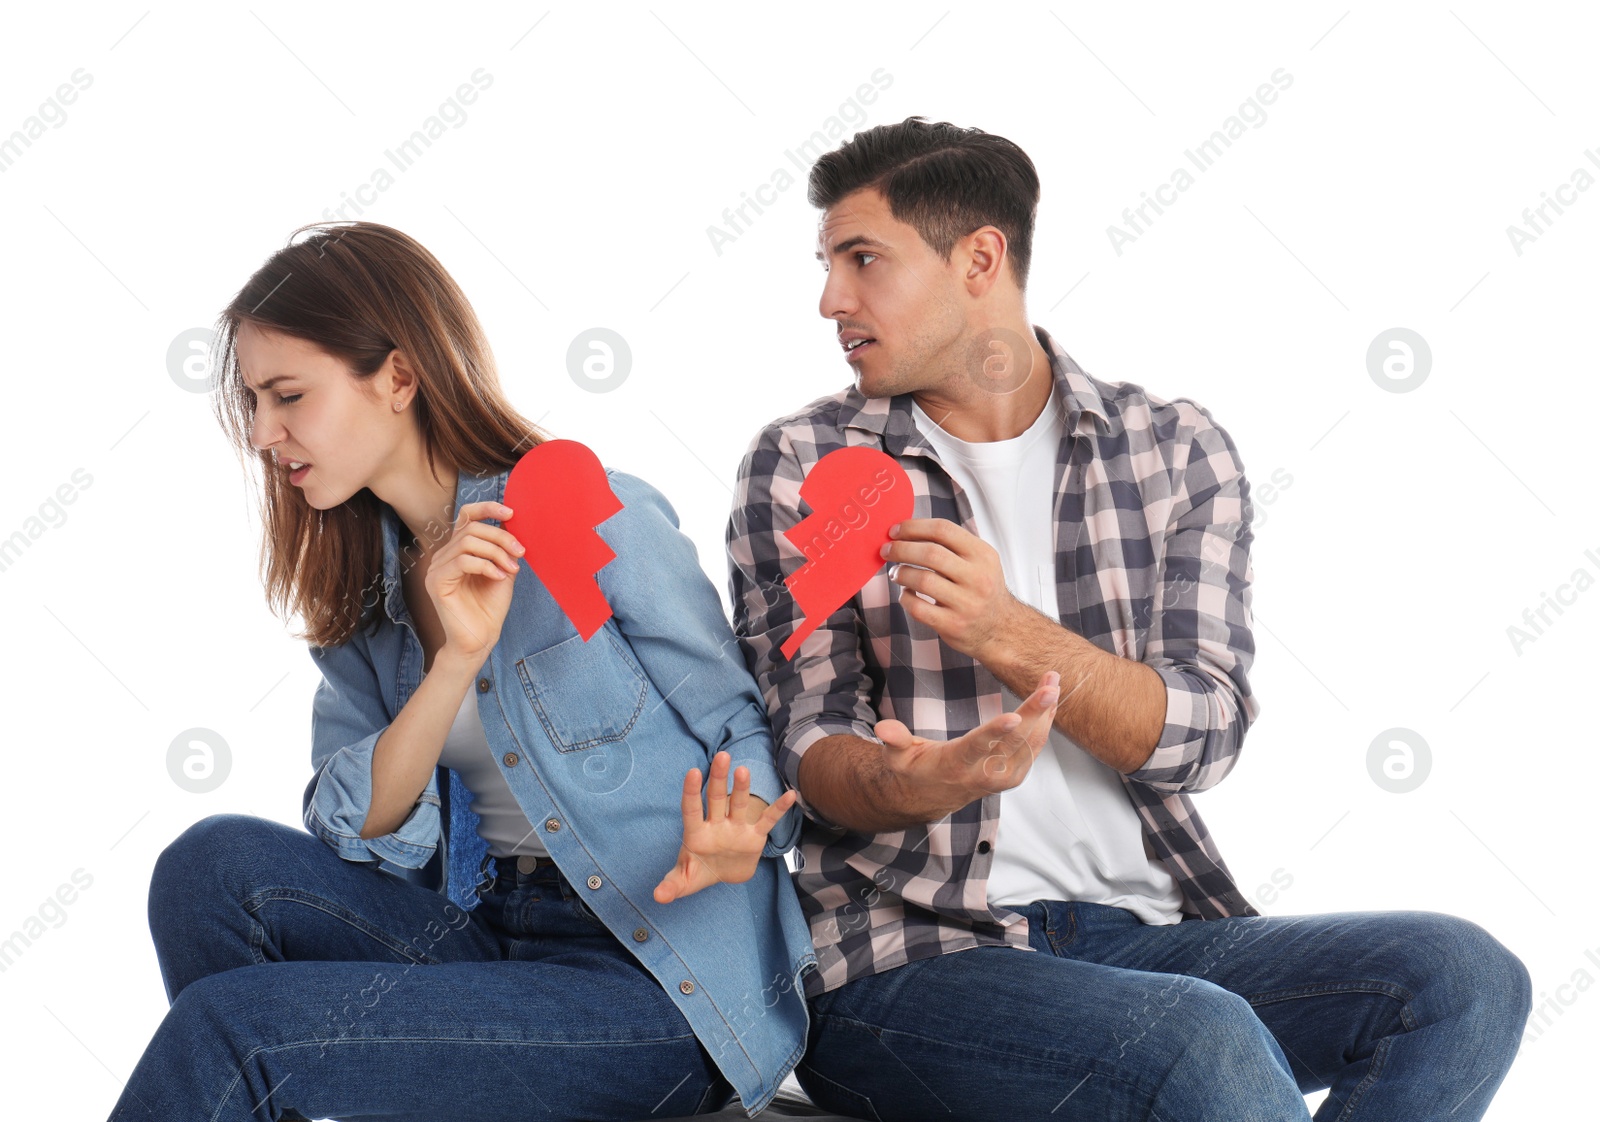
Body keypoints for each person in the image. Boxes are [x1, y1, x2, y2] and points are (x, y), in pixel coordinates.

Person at [725, 116, 1533, 1121]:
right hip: (908, 958)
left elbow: (1202, 734)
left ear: (980, 258)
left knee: (1463, 978)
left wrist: (1008, 633)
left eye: (862, 260)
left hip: (1148, 930)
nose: (830, 301)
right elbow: (807, 742)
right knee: (1197, 1036)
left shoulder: (1170, 448)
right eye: (827, 265)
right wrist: (914, 780)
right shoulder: (804, 462)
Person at [109, 221, 815, 1121]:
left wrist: (743, 828)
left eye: (287, 396)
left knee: (235, 1028)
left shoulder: (585, 516)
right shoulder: (368, 604)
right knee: (208, 867)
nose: (262, 434)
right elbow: (360, 827)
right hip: (485, 941)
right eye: (252, 403)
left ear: (398, 377)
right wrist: (454, 660)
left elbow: (739, 723)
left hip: (654, 984)